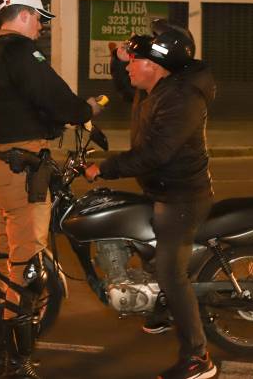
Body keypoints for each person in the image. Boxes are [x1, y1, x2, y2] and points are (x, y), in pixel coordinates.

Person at [0, 0, 101, 379]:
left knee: (4, 261)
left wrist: (6, 142)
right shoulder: (20, 51)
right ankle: (20, 367)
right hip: (21, 173)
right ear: (23, 15)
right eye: (40, 19)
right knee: (27, 270)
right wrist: (84, 111)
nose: (41, 27)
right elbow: (55, 97)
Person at [84, 20, 217, 379]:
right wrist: (119, 59)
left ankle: (198, 358)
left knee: (171, 273)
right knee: (143, 245)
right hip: (161, 189)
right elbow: (125, 87)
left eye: (134, 62)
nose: (129, 67)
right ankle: (162, 310)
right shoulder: (155, 89)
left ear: (154, 66)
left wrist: (105, 168)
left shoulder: (181, 99)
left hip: (182, 196)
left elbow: (156, 153)